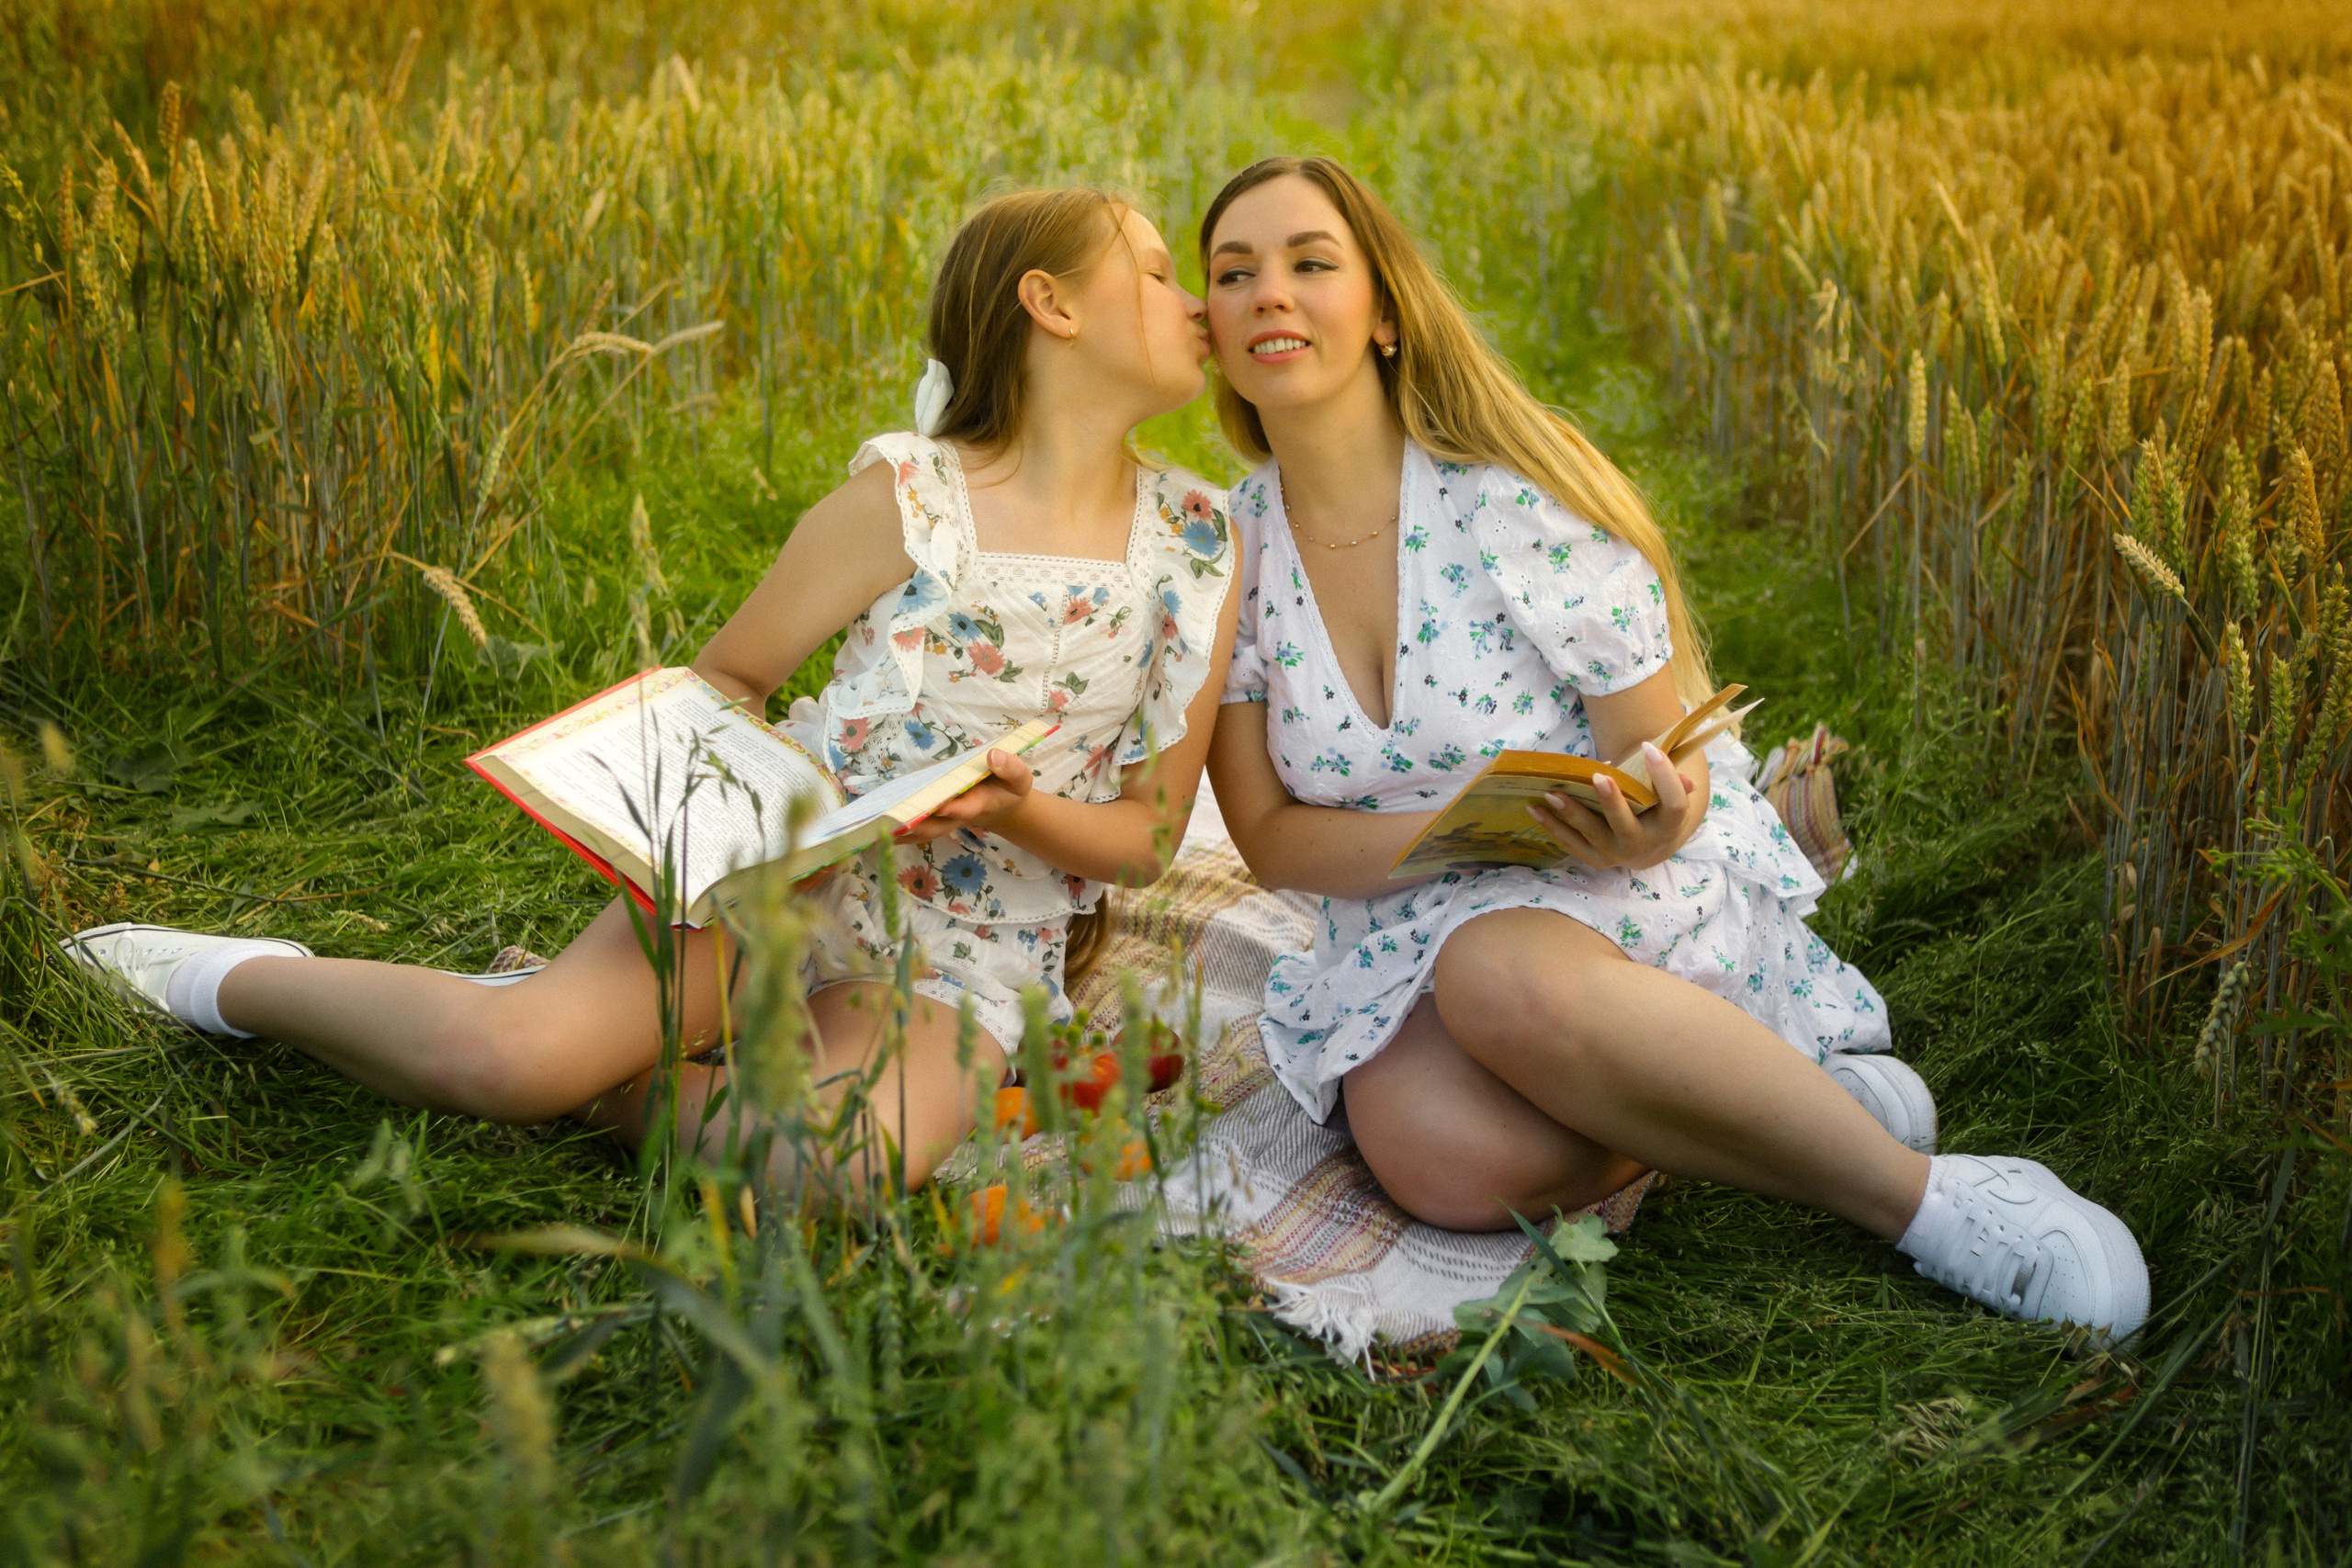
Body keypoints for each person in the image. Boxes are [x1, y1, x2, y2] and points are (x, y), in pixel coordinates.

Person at [64, 187, 1240, 1201]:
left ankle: (605, 1079)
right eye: (1156, 271)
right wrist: (754, 838)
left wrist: (1014, 809)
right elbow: (727, 682)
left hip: (966, 955)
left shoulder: (1193, 542)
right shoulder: (912, 498)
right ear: (1050, 304)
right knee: (503, 1063)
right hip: (788, 878)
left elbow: (1144, 839)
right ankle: (238, 979)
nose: (1195, 303)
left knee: (835, 1167)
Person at [1197, 155, 2147, 1342]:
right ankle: (1773, 1092)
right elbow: (1269, 838)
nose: (1269, 292)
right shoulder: (1228, 550)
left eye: (1309, 263)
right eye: (1233, 273)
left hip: (1601, 893)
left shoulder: (1505, 498)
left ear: (1384, 312)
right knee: (1440, 1162)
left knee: (1496, 973)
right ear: (1212, 330)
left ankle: (1926, 1201)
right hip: (1397, 925)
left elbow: (1662, 760)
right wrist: (1453, 840)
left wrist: (1655, 817)